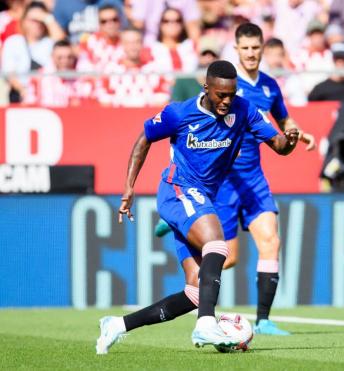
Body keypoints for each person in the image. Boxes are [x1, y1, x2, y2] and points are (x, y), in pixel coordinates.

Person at [96, 60, 299, 354]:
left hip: (202, 196)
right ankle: (206, 323)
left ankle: (116, 325)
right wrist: (129, 187)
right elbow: (144, 139)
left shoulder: (244, 110)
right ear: (206, 88)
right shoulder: (179, 112)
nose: (226, 101)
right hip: (177, 189)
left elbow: (279, 146)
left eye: (231, 94)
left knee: (194, 289)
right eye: (220, 95)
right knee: (217, 243)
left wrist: (290, 141)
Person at [154, 23, 316, 336]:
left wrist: (295, 131)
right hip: (224, 180)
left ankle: (264, 320)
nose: (252, 54)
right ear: (237, 50)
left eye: (257, 48)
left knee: (271, 240)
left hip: (254, 177)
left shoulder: (269, 86)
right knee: (227, 256)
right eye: (246, 48)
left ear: (262, 49)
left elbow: (283, 120)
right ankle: (181, 229)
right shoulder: (228, 89)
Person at [1, 1, 64, 103]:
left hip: (48, 96)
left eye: (41, 20)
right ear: (24, 21)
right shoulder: (14, 42)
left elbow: (62, 44)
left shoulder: (49, 43)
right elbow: (9, 72)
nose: (37, 24)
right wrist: (25, 91)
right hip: (20, 96)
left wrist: (47, 18)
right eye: (33, 20)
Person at [75, 3, 123, 73]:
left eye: (114, 20)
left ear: (120, 21)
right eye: (104, 21)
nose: (110, 24)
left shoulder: (129, 42)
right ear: (99, 24)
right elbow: (83, 70)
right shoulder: (89, 43)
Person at [149, 7, 198, 73]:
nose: (173, 24)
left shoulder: (192, 46)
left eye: (177, 20)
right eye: (166, 21)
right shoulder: (151, 50)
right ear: (160, 24)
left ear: (182, 24)